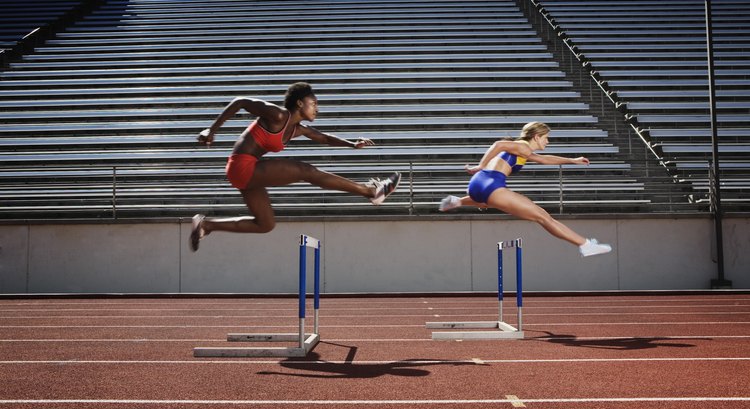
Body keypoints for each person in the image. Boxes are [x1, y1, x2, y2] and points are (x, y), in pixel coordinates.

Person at [190, 82, 401, 251]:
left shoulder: (298, 129)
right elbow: (241, 101)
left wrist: (353, 144)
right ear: (300, 103)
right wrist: (211, 130)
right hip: (242, 166)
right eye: (314, 103)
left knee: (265, 224)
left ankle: (207, 225)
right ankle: (371, 192)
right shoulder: (279, 115)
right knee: (305, 171)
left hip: (249, 173)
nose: (317, 108)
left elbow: (324, 138)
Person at [439, 121, 612, 257]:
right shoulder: (523, 146)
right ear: (537, 136)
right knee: (543, 217)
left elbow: (545, 160)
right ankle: (585, 245)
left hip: (479, 185)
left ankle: (457, 201)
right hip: (491, 183)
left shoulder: (524, 151)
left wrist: (573, 160)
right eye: (546, 138)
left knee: (492, 202)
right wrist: (480, 165)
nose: (548, 141)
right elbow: (498, 144)